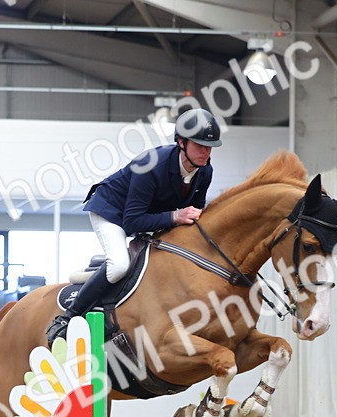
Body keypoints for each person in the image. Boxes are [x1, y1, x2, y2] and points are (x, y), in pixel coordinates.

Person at [46, 107, 223, 342]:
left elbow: (194, 215)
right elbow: (132, 222)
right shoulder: (150, 164)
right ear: (181, 142)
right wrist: (175, 217)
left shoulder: (205, 171)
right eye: (199, 145)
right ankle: (68, 316)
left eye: (209, 147)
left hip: (148, 214)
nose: (205, 152)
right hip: (112, 212)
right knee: (119, 265)